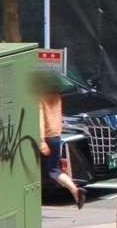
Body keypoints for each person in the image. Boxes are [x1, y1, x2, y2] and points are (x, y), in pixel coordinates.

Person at [36, 70, 86, 209]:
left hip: (45, 137)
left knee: (48, 171)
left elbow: (40, 120)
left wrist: (41, 141)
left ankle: (75, 190)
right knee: (53, 169)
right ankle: (75, 191)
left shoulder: (39, 98)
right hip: (56, 136)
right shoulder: (56, 96)